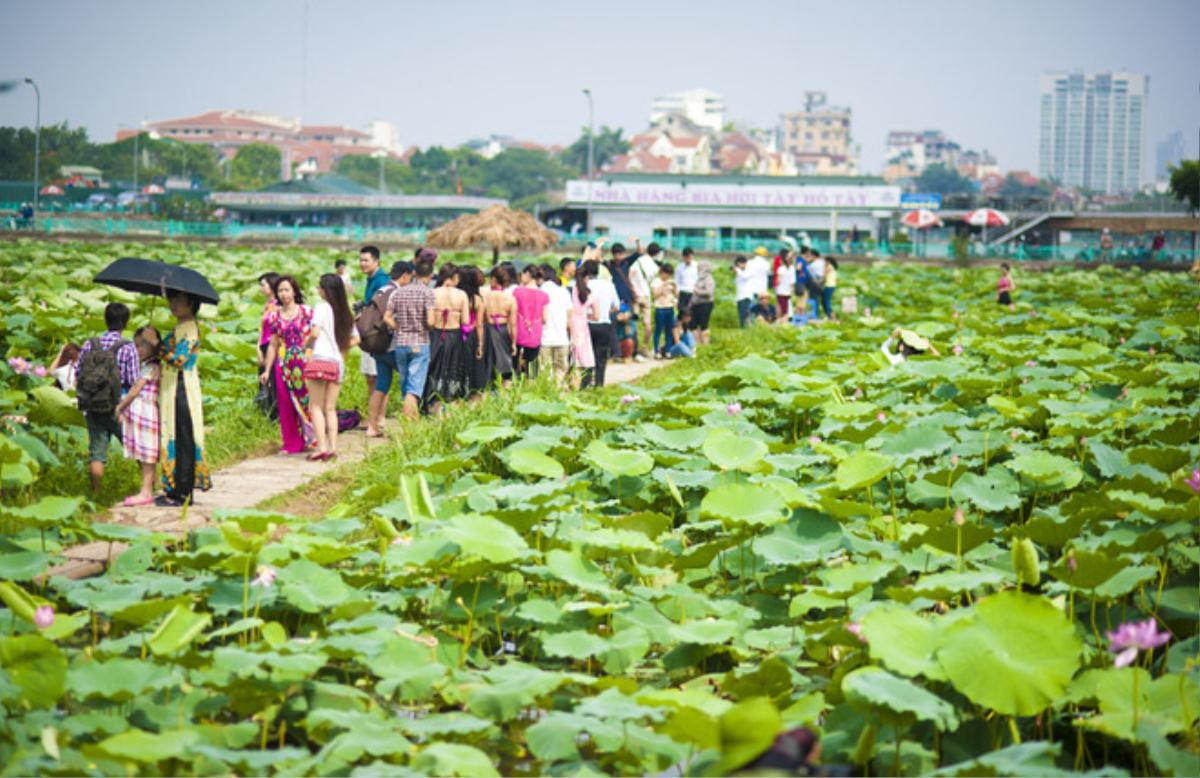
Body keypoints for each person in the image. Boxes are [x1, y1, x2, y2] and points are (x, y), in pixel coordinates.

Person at [76, 302, 140, 493]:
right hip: (119, 406)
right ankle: (151, 487)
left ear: (105, 320)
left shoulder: (90, 344)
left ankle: (97, 493)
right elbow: (133, 380)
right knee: (137, 448)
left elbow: (79, 372)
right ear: (126, 323)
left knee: (97, 452)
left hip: (93, 405)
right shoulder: (128, 348)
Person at [157, 291, 212, 507]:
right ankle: (175, 488)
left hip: (183, 388)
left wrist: (157, 346)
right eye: (172, 300)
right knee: (176, 434)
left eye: (179, 301)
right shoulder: (180, 326)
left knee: (183, 437)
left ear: (191, 304)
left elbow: (179, 358)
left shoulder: (189, 327)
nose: (173, 304)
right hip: (173, 387)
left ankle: (184, 490)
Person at [303, 274, 354, 461]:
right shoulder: (344, 311)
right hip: (337, 362)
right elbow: (354, 339)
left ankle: (321, 447)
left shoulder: (322, 307)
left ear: (325, 290)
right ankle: (333, 447)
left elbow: (315, 333)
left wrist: (305, 344)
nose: (318, 290)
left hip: (320, 360)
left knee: (315, 406)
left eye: (319, 287)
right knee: (331, 408)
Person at [261, 276, 314, 454]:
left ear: (294, 291)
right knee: (285, 402)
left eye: (287, 290)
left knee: (307, 400)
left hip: (304, 361)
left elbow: (316, 336)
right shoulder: (274, 317)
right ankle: (292, 443)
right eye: (280, 291)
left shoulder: (307, 312)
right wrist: (267, 370)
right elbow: (273, 344)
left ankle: (313, 438)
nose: (284, 294)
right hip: (283, 364)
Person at [384, 256, 437, 418]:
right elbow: (430, 321)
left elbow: (387, 317)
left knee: (406, 385)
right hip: (420, 343)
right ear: (430, 274)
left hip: (401, 344)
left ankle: (411, 422)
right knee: (414, 389)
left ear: (414, 273)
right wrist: (428, 326)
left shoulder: (399, 292)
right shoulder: (428, 293)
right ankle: (408, 426)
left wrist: (398, 328)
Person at [115, 326, 160, 506]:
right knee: (146, 451)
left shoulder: (150, 366)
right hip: (148, 408)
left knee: (146, 452)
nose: (138, 350)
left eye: (143, 346)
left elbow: (134, 391)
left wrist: (120, 407)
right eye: (137, 346)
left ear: (152, 346)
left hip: (145, 409)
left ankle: (146, 491)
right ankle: (149, 487)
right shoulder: (155, 364)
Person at [365, 260, 409, 437]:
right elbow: (390, 318)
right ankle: (409, 428)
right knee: (408, 383)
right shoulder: (396, 292)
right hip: (392, 345)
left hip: (377, 345)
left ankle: (372, 427)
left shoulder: (381, 289)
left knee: (381, 386)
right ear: (405, 276)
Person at [423, 262, 471, 412]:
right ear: (455, 276)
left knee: (433, 368)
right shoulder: (461, 294)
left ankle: (431, 402)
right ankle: (449, 402)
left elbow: (429, 321)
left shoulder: (432, 292)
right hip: (454, 336)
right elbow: (465, 321)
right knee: (452, 369)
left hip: (436, 335)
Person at [580, 260, 619, 388]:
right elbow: (616, 306)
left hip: (587, 324)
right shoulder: (608, 285)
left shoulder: (584, 285)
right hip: (604, 324)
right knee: (601, 357)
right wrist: (606, 311)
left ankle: (585, 384)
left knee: (587, 355)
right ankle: (599, 384)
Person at [357, 245, 389, 398]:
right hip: (369, 332)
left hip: (376, 334)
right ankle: (373, 413)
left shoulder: (381, 280)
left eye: (366, 260)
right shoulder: (371, 278)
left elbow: (381, 308)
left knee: (378, 376)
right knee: (370, 376)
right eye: (361, 260)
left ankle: (378, 415)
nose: (362, 263)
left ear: (377, 262)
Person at [479, 265, 518, 388]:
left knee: (488, 364)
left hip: (488, 330)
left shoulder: (484, 296)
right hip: (503, 331)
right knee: (506, 365)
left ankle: (488, 393)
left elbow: (480, 320)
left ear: (494, 279)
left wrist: (479, 343)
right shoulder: (510, 298)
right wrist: (513, 343)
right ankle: (505, 395)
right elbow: (513, 324)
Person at [537, 263, 572, 384]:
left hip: (544, 338)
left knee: (545, 372)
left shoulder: (539, 292)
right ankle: (559, 396)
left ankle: (547, 397)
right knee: (561, 372)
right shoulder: (564, 291)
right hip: (562, 338)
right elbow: (569, 318)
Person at [513, 264, 550, 378]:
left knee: (515, 364)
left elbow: (513, 313)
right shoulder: (544, 295)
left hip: (518, 331)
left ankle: (515, 385)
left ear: (528, 274)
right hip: (535, 333)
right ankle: (531, 387)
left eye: (523, 274)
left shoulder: (517, 292)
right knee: (532, 364)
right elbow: (545, 318)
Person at [457, 265, 489, 396]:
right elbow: (479, 323)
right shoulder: (477, 299)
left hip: (456, 333)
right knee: (473, 366)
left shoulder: (457, 296)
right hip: (472, 335)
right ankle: (471, 394)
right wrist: (480, 345)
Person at [626, 240, 660, 354]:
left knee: (633, 322)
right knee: (647, 324)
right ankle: (644, 347)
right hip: (646, 296)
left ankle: (633, 349)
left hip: (636, 296)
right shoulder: (656, 267)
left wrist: (632, 289)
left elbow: (630, 274)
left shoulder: (639, 261)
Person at [256, 272, 281, 420]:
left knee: (273, 380)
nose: (261, 288)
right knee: (264, 380)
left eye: (263, 284)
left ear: (272, 285)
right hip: (264, 346)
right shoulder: (268, 305)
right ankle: (267, 414)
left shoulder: (278, 305)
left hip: (274, 346)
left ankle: (276, 416)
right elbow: (262, 329)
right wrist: (258, 347)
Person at [569, 265, 598, 385]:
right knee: (585, 355)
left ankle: (570, 383)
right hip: (582, 325)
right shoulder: (589, 293)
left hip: (570, 324)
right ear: (586, 278)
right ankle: (583, 383)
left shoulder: (570, 290)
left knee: (572, 355)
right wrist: (586, 316)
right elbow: (597, 316)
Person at [651, 262, 678, 357]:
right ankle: (657, 350)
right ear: (662, 272)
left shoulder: (672, 281)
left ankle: (668, 351)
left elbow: (676, 295)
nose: (667, 276)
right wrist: (664, 285)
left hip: (669, 308)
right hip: (660, 309)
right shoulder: (656, 281)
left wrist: (674, 287)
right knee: (658, 330)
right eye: (666, 273)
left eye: (669, 274)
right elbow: (655, 295)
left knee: (669, 330)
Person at [689, 261, 715, 345]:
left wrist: (697, 291)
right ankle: (697, 344)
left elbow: (709, 292)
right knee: (693, 325)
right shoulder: (699, 278)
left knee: (704, 325)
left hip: (705, 304)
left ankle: (705, 345)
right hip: (696, 304)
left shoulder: (708, 278)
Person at [675, 247, 698, 318]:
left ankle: (690, 328)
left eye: (690, 257)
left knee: (692, 313)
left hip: (693, 293)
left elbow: (699, 280)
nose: (688, 259)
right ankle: (681, 328)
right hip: (682, 293)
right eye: (686, 257)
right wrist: (677, 292)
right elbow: (677, 281)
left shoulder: (697, 266)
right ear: (683, 257)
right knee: (681, 313)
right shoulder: (679, 267)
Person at [733, 255, 754, 327]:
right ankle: (743, 329)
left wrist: (737, 270)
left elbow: (745, 277)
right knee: (741, 314)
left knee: (745, 314)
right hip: (739, 296)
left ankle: (746, 328)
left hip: (746, 296)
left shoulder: (749, 270)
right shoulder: (739, 273)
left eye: (742, 264)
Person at [774, 249, 795, 318]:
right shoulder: (792, 268)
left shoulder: (781, 268)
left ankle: (781, 322)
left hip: (781, 291)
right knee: (785, 310)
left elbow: (778, 280)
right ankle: (783, 323)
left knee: (782, 310)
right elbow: (792, 282)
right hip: (787, 292)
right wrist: (791, 290)